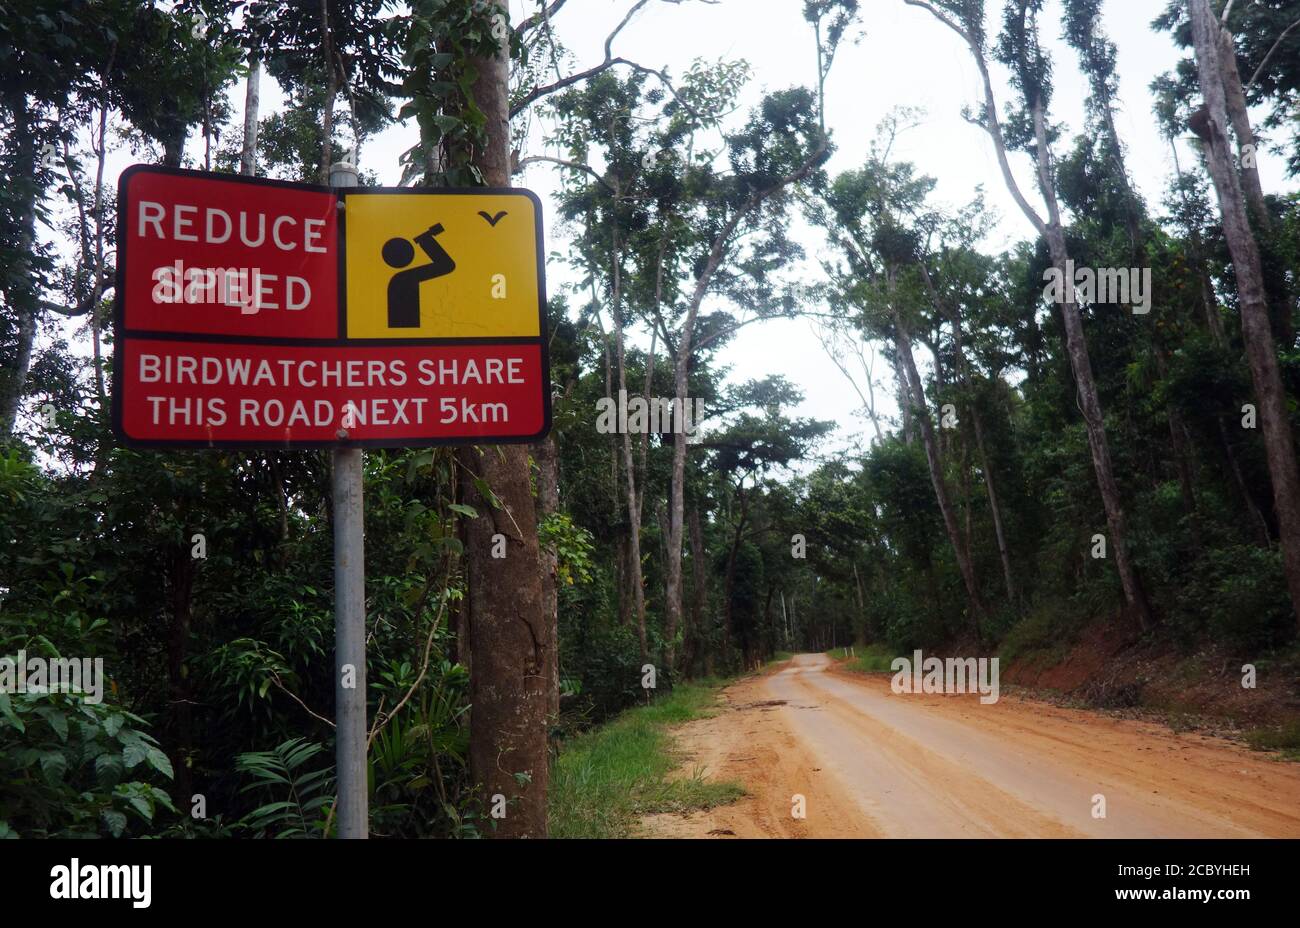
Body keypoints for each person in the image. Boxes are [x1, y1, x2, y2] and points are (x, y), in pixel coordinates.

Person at [381, 223, 455, 328]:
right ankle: (425, 240)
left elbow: (446, 265)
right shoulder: (401, 280)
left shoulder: (399, 280)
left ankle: (425, 240)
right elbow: (446, 266)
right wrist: (426, 239)